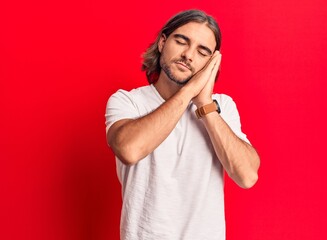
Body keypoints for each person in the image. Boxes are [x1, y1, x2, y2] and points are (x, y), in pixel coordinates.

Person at [105, 9, 260, 240]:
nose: (188, 55)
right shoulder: (127, 101)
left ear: (211, 63)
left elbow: (247, 176)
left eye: (202, 51)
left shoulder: (222, 107)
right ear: (162, 42)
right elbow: (129, 149)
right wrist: (189, 91)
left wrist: (205, 104)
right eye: (181, 41)